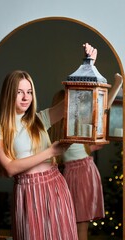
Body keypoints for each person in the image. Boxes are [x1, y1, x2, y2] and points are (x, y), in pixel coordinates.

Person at [49, 73, 123, 240]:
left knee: (77, 225)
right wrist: (117, 83)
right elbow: (103, 110)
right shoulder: (67, 126)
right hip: (78, 173)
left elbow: (102, 110)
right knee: (76, 226)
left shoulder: (66, 127)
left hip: (79, 172)